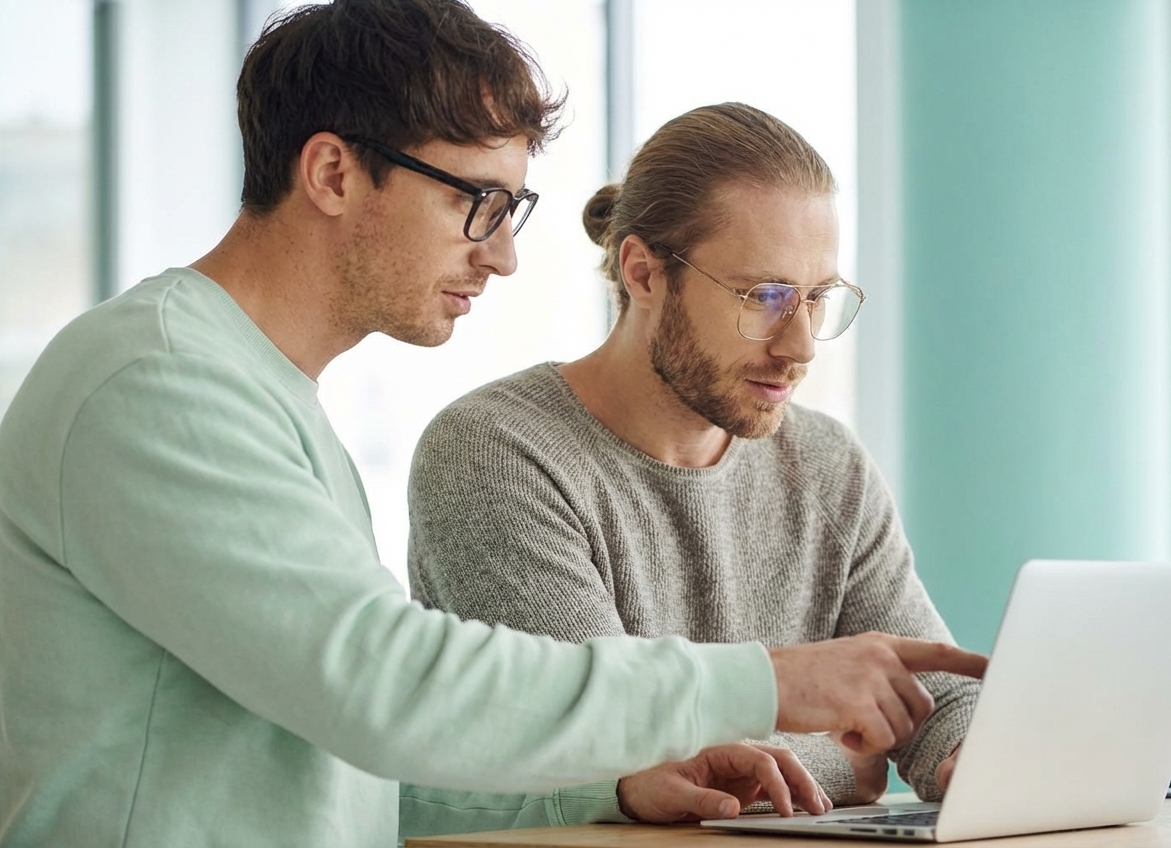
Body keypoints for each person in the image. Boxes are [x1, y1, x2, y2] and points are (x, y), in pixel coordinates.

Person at [0, 3, 987, 845]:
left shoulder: (261, 391)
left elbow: (350, 767)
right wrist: (758, 681)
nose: (504, 255)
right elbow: (390, 689)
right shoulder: (161, 383)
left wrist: (610, 783)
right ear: (335, 174)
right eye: (477, 202)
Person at [409, 102, 981, 806]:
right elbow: (609, 739)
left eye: (817, 299)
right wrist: (842, 758)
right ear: (644, 273)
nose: (799, 345)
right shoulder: (497, 453)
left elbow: (934, 701)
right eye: (763, 296)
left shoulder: (826, 464)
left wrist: (969, 756)